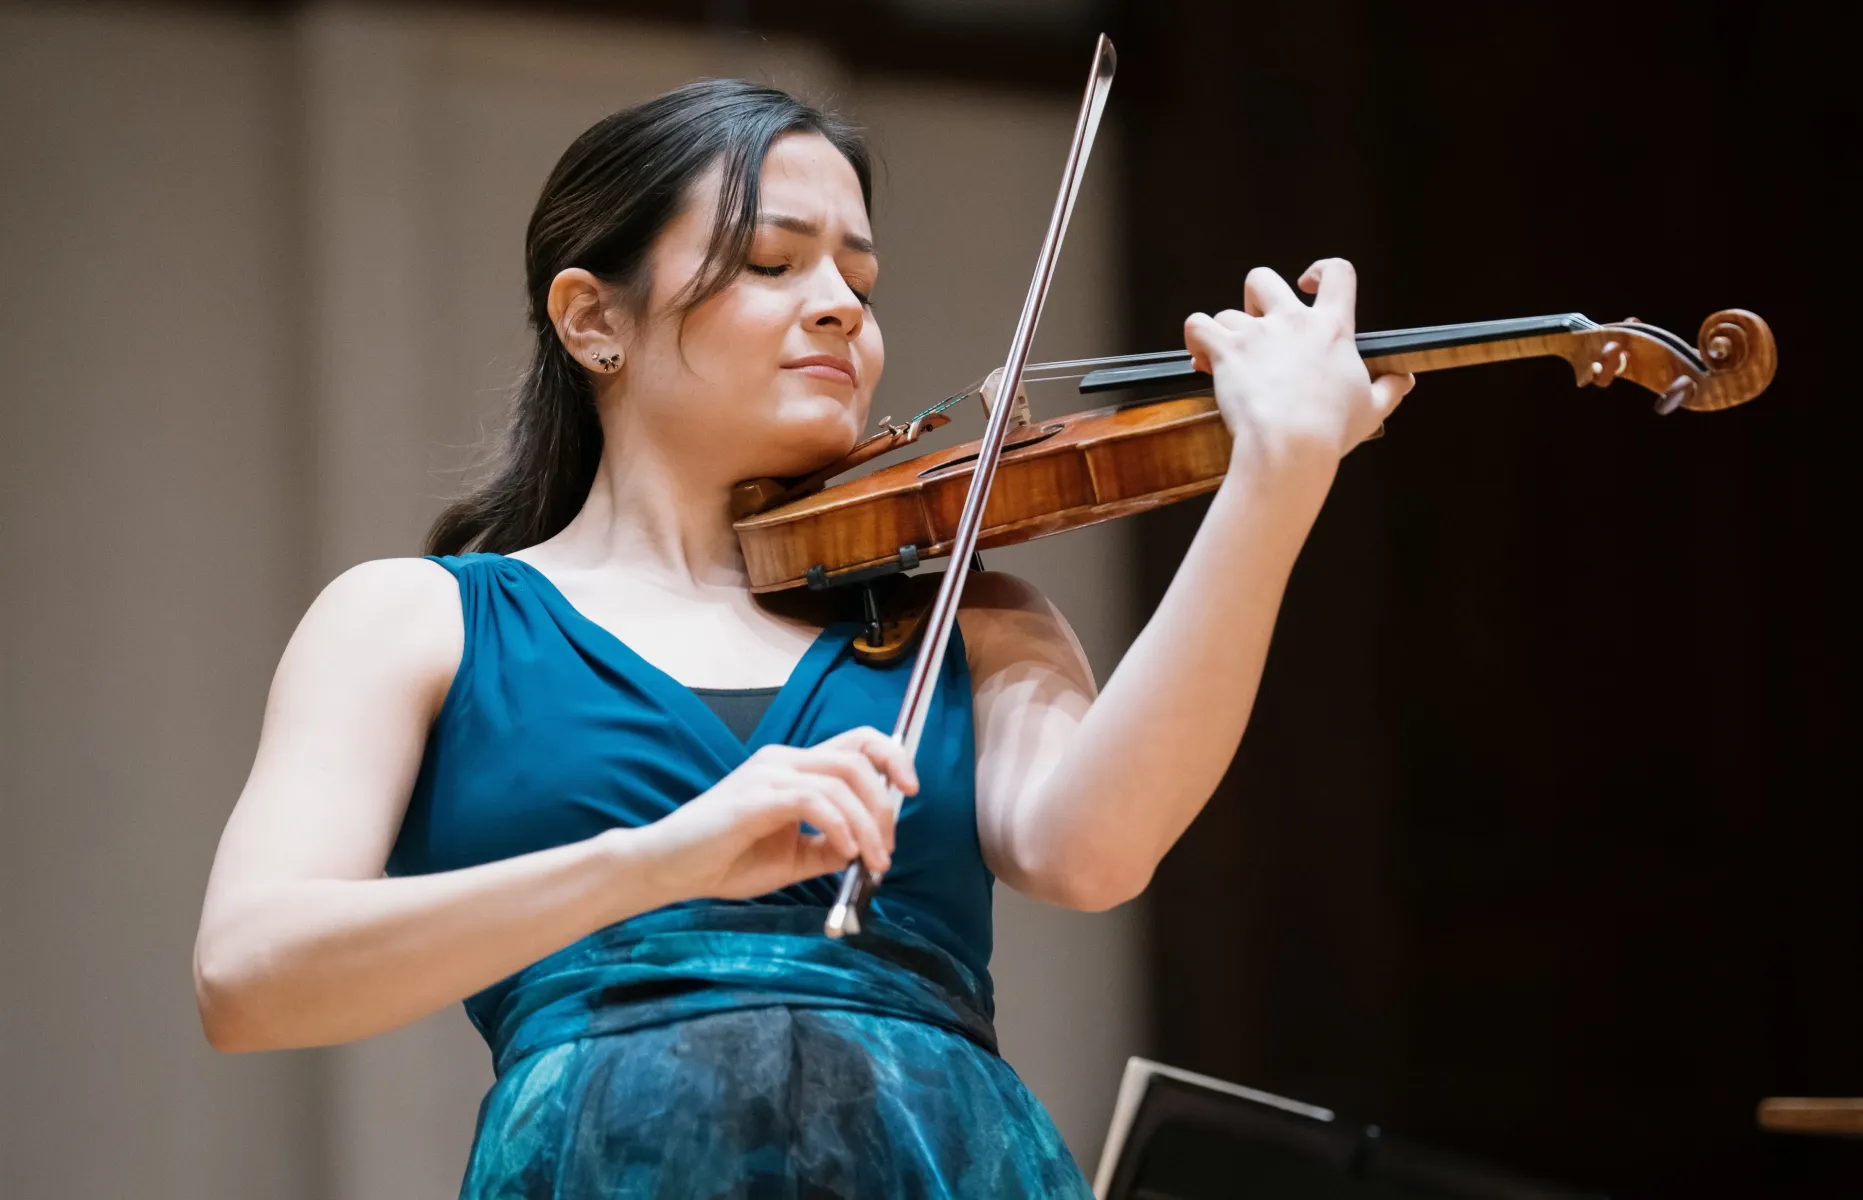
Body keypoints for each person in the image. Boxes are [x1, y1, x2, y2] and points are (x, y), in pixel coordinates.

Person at [192, 79, 1410, 1198]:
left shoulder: (967, 617)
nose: (837, 306)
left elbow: (1092, 855)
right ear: (590, 318)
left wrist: (1276, 478)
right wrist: (663, 859)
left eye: (860, 285)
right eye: (772, 263)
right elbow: (250, 976)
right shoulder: (418, 619)